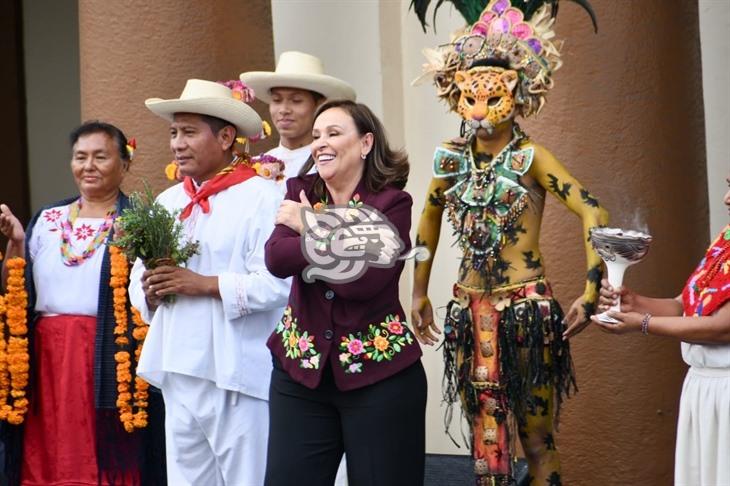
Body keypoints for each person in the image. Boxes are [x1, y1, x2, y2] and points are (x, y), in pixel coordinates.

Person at [409, 0, 604, 484]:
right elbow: (427, 225)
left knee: (536, 437)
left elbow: (592, 209)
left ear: (517, 96)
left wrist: (592, 288)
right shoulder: (450, 160)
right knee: (486, 437)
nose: (480, 108)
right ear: (456, 95)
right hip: (468, 310)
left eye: (493, 96)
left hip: (525, 311)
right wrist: (417, 293)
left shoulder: (532, 156)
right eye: (470, 95)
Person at [128, 79, 291, 486]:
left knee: (248, 478)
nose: (177, 144)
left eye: (188, 132)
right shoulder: (168, 202)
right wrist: (148, 289)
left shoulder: (264, 197)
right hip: (178, 364)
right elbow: (137, 281)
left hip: (237, 367)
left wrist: (202, 284)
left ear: (225, 137)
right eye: (173, 132)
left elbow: (278, 286)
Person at [264, 100, 426, 486]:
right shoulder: (300, 188)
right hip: (299, 376)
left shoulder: (390, 203)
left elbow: (362, 282)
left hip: (380, 379)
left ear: (366, 143)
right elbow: (276, 257)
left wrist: (309, 225)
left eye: (334, 133)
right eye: (317, 135)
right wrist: (345, 245)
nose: (321, 143)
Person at [0, 121, 165, 485]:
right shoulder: (47, 218)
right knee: (43, 451)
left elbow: (154, 292)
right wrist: (15, 243)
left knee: (100, 453)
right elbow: (16, 291)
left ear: (125, 164)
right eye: (80, 157)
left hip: (105, 352)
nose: (88, 165)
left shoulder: (137, 220)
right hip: (46, 355)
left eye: (101, 156)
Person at [592, 178, 730, 486]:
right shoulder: (726, 240)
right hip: (702, 389)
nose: (726, 198)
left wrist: (641, 324)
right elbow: (684, 305)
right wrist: (634, 303)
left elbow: (722, 328)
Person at [241, 50, 356, 180]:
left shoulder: (333, 164)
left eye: (296, 101)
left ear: (319, 105)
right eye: (277, 100)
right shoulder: (255, 166)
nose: (284, 110)